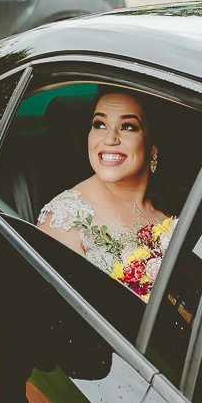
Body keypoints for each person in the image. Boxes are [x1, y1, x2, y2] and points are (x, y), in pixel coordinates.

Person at [37, 87, 178, 300]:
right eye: (100, 125)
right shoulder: (64, 219)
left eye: (128, 127)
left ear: (153, 146)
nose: (110, 139)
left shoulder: (177, 202)